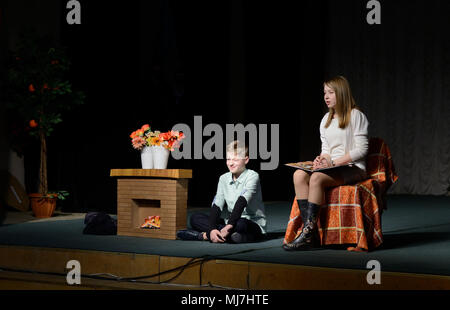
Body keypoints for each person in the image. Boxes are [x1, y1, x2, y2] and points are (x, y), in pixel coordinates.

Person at [283, 75, 369, 251]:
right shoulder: (326, 120)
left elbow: (361, 150)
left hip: (353, 168)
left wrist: (333, 163)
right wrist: (322, 159)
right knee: (298, 175)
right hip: (333, 167)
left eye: (331, 92)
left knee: (316, 179)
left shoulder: (356, 115)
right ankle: (311, 233)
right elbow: (327, 150)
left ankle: (307, 233)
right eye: (324, 93)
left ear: (342, 93)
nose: (326, 96)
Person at [176, 141, 266, 244]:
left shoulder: (252, 176)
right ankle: (228, 236)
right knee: (195, 218)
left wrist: (229, 226)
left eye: (235, 159)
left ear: (246, 160)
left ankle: (203, 236)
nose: (231, 163)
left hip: (250, 222)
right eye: (228, 159)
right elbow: (217, 205)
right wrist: (212, 228)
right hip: (230, 222)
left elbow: (242, 202)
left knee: (241, 224)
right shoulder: (223, 178)